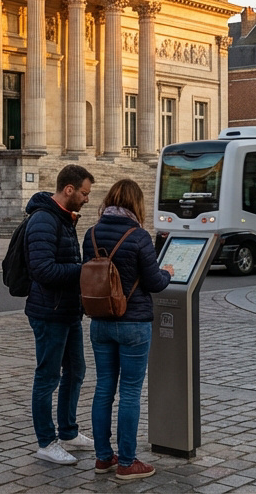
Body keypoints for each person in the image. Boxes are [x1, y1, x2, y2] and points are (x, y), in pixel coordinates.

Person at [84, 178, 172, 481]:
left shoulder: (91, 233)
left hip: (101, 321)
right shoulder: (138, 236)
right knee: (131, 392)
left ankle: (103, 458)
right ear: (136, 204)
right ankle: (127, 462)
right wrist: (168, 272)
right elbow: (154, 283)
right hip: (133, 322)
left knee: (104, 389)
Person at [25, 164, 94, 466]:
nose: (87, 199)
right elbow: (42, 270)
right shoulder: (43, 219)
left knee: (76, 371)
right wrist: (84, 271)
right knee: (48, 376)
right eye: (84, 193)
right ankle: (46, 441)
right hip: (49, 311)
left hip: (68, 310)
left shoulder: (64, 219)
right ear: (69, 189)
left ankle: (67, 431)